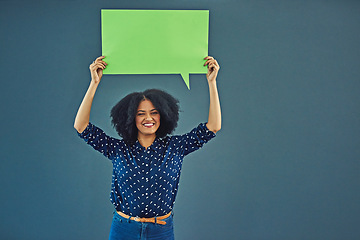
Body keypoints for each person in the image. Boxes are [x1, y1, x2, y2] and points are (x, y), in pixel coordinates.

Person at [74, 56, 221, 240]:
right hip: (123, 230)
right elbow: (81, 127)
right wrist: (94, 83)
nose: (148, 118)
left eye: (154, 113)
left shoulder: (175, 148)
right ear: (130, 118)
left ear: (163, 116)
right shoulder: (118, 149)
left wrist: (212, 82)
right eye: (140, 114)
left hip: (161, 230)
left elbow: (213, 127)